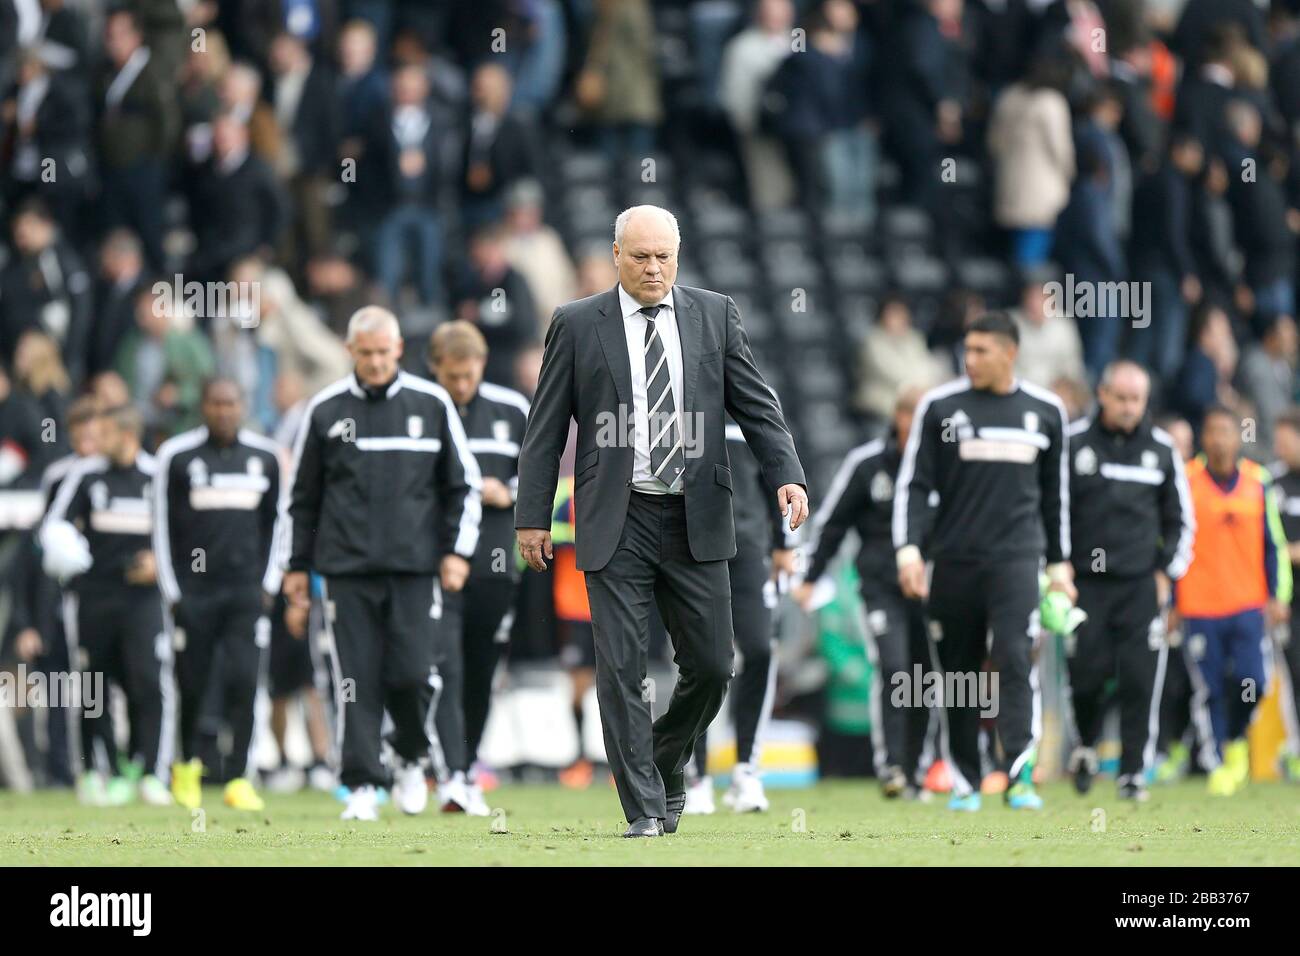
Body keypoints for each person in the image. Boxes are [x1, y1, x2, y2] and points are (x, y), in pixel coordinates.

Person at [515, 205, 808, 837]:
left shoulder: (715, 313)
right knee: (619, 667)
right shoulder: (575, 322)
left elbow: (757, 404)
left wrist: (786, 472)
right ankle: (645, 809)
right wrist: (532, 517)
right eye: (641, 256)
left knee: (711, 666)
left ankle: (663, 760)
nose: (653, 269)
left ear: (678, 255)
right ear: (616, 254)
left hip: (695, 515)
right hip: (613, 518)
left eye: (664, 257)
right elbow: (544, 429)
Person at [278, 307, 482, 822]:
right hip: (345, 573)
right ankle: (363, 783)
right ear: (350, 352)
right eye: (364, 353)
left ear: (398, 351)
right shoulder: (323, 411)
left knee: (414, 675)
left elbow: (464, 486)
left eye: (382, 352)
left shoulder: (432, 403)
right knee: (355, 679)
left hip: (416, 572)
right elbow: (302, 499)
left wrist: (457, 552)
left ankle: (411, 757)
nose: (373, 362)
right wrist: (296, 566)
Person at [894, 311, 1072, 812]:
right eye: (966, 350)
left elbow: (1055, 498)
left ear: (1009, 353)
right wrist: (909, 551)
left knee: (1015, 658)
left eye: (980, 351)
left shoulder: (1046, 412)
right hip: (952, 562)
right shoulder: (940, 407)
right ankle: (966, 779)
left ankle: (1018, 775)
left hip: (1018, 560)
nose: (968, 359)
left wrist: (1060, 567)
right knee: (959, 672)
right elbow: (915, 485)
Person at [1064, 361, 1195, 801]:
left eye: (1135, 399)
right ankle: (1085, 744)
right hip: (1086, 585)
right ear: (1102, 394)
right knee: (1088, 675)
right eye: (1120, 397)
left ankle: (1133, 771)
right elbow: (1052, 512)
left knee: (1140, 679)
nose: (1127, 406)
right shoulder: (1072, 446)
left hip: (1140, 584)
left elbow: (1181, 522)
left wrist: (1165, 574)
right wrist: (1058, 567)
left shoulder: (1160, 451)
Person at [152, 379, 281, 812]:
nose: (223, 410)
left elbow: (278, 523)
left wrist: (269, 583)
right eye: (215, 403)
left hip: (247, 592)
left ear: (243, 405)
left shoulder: (265, 458)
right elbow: (162, 528)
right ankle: (186, 770)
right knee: (193, 682)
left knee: (245, 681)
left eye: (231, 402)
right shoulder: (177, 456)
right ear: (203, 407)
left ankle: (240, 778)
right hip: (195, 593)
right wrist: (174, 590)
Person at [798, 385, 932, 798]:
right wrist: (810, 577)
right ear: (899, 418)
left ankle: (916, 769)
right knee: (893, 669)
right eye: (913, 417)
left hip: (933, 588)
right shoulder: (867, 465)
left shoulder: (948, 469)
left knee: (924, 678)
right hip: (880, 588)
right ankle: (891, 765)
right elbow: (833, 523)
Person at [41, 404, 171, 807]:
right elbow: (54, 526)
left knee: (147, 681)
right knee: (95, 684)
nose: (95, 441)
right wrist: (69, 556)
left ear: (126, 435)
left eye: (105, 433)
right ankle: (102, 771)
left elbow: (182, 533)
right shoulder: (86, 475)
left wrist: (159, 563)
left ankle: (149, 771)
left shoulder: (156, 477)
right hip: (95, 598)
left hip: (144, 601)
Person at [426, 321, 529, 815]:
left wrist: (506, 492)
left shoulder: (513, 411)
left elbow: (540, 477)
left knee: (480, 669)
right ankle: (443, 768)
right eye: (452, 377)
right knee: (441, 666)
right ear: (435, 369)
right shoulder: (423, 410)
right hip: (437, 563)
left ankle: (465, 766)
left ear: (481, 366)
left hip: (494, 563)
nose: (461, 386)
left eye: (467, 376)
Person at [685, 412, 799, 814]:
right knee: (700, 660)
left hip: (749, 549)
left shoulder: (752, 403)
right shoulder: (678, 395)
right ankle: (696, 775)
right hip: (693, 548)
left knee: (760, 650)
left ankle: (746, 771)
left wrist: (784, 544)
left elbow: (778, 469)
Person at [1175, 404, 1292, 796]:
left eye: (1227, 431)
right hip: (1199, 605)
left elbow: (1272, 544)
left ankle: (1238, 738)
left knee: (1252, 681)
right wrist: (1172, 600)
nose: (1220, 439)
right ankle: (1219, 760)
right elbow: (1173, 542)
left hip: (1247, 604)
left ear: (1238, 436)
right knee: (1208, 687)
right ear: (1203, 437)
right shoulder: (1186, 480)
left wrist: (1279, 595)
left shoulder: (1258, 482)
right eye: (1212, 432)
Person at [1268, 409, 1300, 781]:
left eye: (1285, 439)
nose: (1278, 447)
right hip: (1283, 600)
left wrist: (1289, 550)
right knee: (1290, 674)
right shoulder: (1271, 482)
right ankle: (1293, 749)